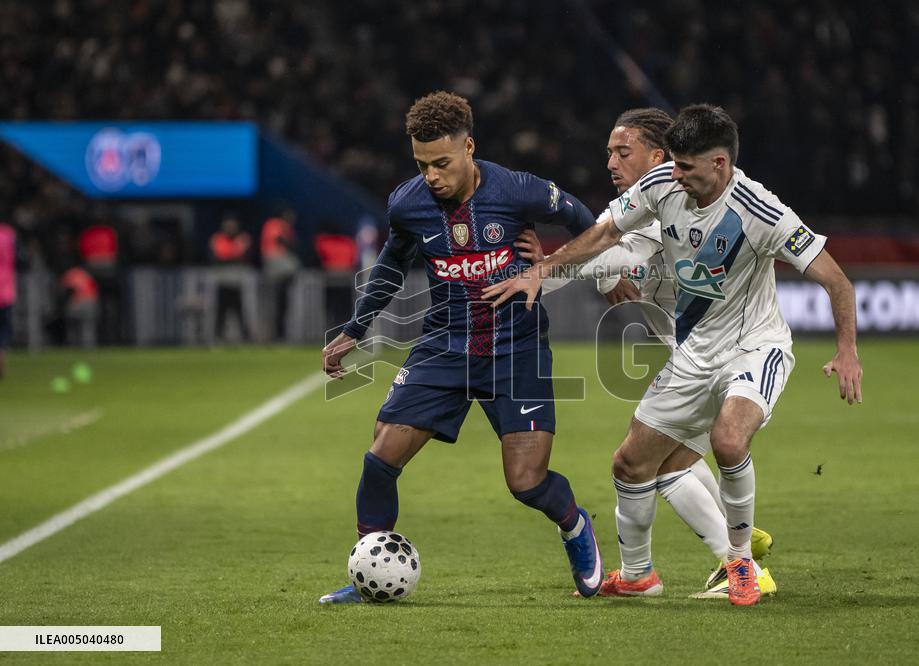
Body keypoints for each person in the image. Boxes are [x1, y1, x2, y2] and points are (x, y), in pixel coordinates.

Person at [485, 104, 863, 606]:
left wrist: (847, 349)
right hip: (691, 353)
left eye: (685, 167)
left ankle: (741, 561)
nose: (676, 176)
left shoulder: (762, 212)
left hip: (754, 345)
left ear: (720, 165)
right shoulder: (662, 186)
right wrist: (545, 269)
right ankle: (641, 574)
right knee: (632, 463)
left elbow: (836, 280)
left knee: (724, 442)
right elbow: (603, 237)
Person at [319, 91, 605, 603]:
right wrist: (355, 329)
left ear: (469, 147)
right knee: (379, 460)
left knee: (526, 482)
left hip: (516, 348)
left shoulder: (519, 190)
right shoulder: (408, 204)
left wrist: (576, 271)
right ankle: (370, 570)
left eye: (442, 163)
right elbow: (389, 264)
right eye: (422, 164)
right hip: (444, 345)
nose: (432, 176)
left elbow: (588, 221)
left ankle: (576, 528)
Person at [535, 108, 776, 599]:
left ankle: (736, 563)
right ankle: (734, 541)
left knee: (657, 464)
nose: (610, 162)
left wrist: (537, 275)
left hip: (715, 359)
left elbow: (618, 258)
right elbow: (604, 247)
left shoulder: (675, 207)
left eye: (623, 152)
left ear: (660, 157)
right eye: (608, 152)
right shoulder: (641, 207)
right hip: (695, 358)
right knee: (666, 459)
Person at [209, 214, 252, 343]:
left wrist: (228, 258)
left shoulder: (242, 239)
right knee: (220, 311)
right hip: (222, 280)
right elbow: (216, 259)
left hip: (236, 280)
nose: (230, 228)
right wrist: (232, 257)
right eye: (228, 225)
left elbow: (243, 258)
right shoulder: (217, 239)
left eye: (233, 225)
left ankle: (246, 338)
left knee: (240, 311)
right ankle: (218, 337)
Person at [261, 208, 300, 341]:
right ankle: (272, 335)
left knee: (281, 303)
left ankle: (277, 334)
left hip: (278, 269)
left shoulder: (280, 225)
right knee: (294, 265)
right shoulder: (276, 223)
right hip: (275, 264)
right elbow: (280, 239)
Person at [0, 221, 16, 377]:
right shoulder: (8, 234)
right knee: (4, 328)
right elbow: (21, 259)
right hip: (5, 290)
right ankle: (1, 354)